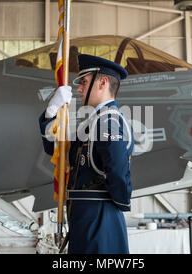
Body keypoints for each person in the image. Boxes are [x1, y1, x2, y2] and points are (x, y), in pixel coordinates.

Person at [39, 54, 134, 254]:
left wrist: (115, 204)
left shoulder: (109, 121)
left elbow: (117, 169)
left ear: (103, 82)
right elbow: (57, 150)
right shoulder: (93, 122)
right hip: (86, 216)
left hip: (99, 217)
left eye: (84, 82)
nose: (79, 89)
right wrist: (51, 112)